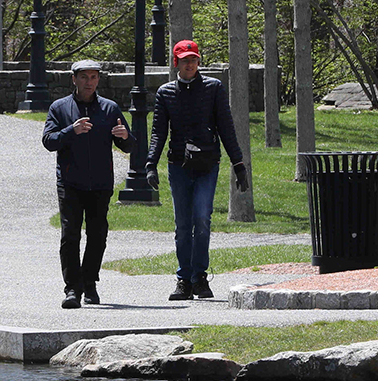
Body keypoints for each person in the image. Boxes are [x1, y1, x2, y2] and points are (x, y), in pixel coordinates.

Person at [144, 40, 247, 301]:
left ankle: (199, 277)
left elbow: (226, 127)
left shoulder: (213, 88)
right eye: (185, 60)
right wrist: (150, 164)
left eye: (194, 59)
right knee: (182, 224)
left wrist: (239, 165)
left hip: (207, 163)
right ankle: (184, 280)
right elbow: (158, 132)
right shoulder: (166, 92)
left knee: (201, 219)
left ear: (198, 62)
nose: (190, 64)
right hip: (179, 164)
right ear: (176, 63)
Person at [42, 59, 134, 309]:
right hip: (70, 182)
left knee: (97, 235)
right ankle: (72, 288)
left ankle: (89, 281)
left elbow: (128, 144)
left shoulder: (109, 108)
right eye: (84, 77)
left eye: (93, 78)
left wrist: (126, 137)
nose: (89, 82)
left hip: (100, 183)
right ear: (74, 79)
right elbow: (49, 141)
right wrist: (70, 131)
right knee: (70, 235)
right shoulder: (59, 108)